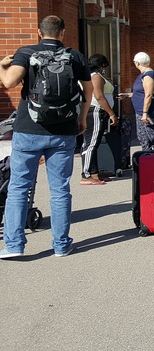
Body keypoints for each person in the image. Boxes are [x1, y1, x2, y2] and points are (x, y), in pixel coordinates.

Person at [0, 15, 92, 258]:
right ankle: (61, 246)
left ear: (39, 32)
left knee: (19, 187)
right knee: (60, 189)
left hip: (28, 130)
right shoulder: (75, 56)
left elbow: (9, 82)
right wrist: (82, 118)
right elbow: (89, 89)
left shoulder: (26, 52)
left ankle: (14, 246)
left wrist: (1, 65)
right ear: (62, 33)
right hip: (63, 131)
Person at [80, 54, 119, 185]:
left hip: (96, 111)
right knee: (90, 144)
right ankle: (85, 175)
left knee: (94, 144)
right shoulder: (95, 76)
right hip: (96, 111)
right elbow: (99, 96)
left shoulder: (91, 75)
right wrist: (112, 113)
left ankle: (94, 173)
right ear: (101, 65)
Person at [127, 52, 154, 151]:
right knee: (143, 137)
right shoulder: (144, 75)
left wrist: (145, 113)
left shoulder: (148, 75)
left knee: (152, 137)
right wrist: (128, 95)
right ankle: (148, 158)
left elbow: (148, 95)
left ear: (138, 63)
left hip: (149, 112)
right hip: (142, 111)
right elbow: (142, 93)